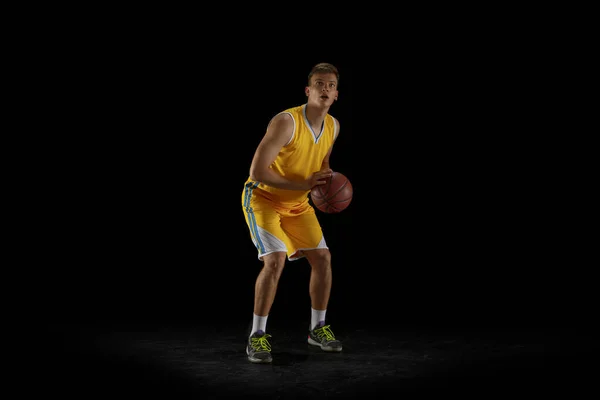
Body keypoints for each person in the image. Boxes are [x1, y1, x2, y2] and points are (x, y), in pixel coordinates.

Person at [241, 62, 344, 363]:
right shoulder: (286, 121)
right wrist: (304, 182)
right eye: (320, 84)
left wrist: (327, 183)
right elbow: (257, 171)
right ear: (308, 90)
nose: (325, 89)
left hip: (298, 204)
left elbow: (321, 165)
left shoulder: (334, 126)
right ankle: (257, 336)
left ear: (336, 94)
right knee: (274, 262)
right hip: (263, 198)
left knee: (323, 258)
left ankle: (317, 328)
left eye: (331, 85)